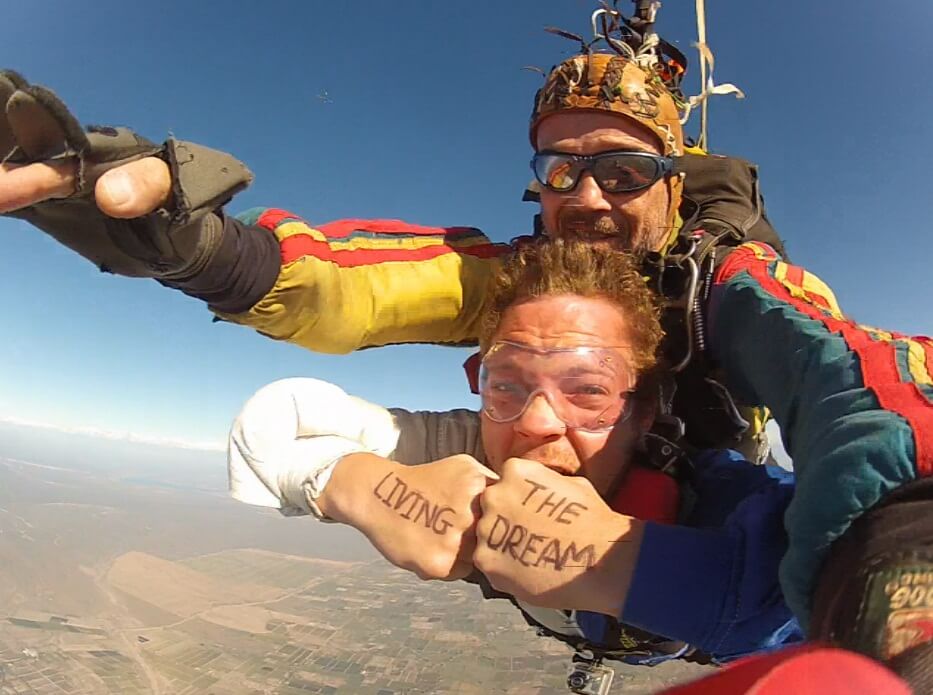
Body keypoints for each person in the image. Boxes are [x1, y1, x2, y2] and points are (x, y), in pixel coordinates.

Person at [1, 13, 931, 668]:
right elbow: (357, 283)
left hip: (682, 512)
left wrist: (896, 544)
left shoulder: (732, 291)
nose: (588, 194)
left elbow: (846, 381)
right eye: (560, 166)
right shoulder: (527, 276)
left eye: (624, 167)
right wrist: (190, 239)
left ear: (673, 186)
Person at [228, 237, 802, 668]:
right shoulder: (469, 446)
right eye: (506, 385)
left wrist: (614, 559)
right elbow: (277, 419)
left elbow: (851, 593)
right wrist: (350, 482)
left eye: (588, 391)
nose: (534, 424)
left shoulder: (706, 495)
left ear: (642, 411)